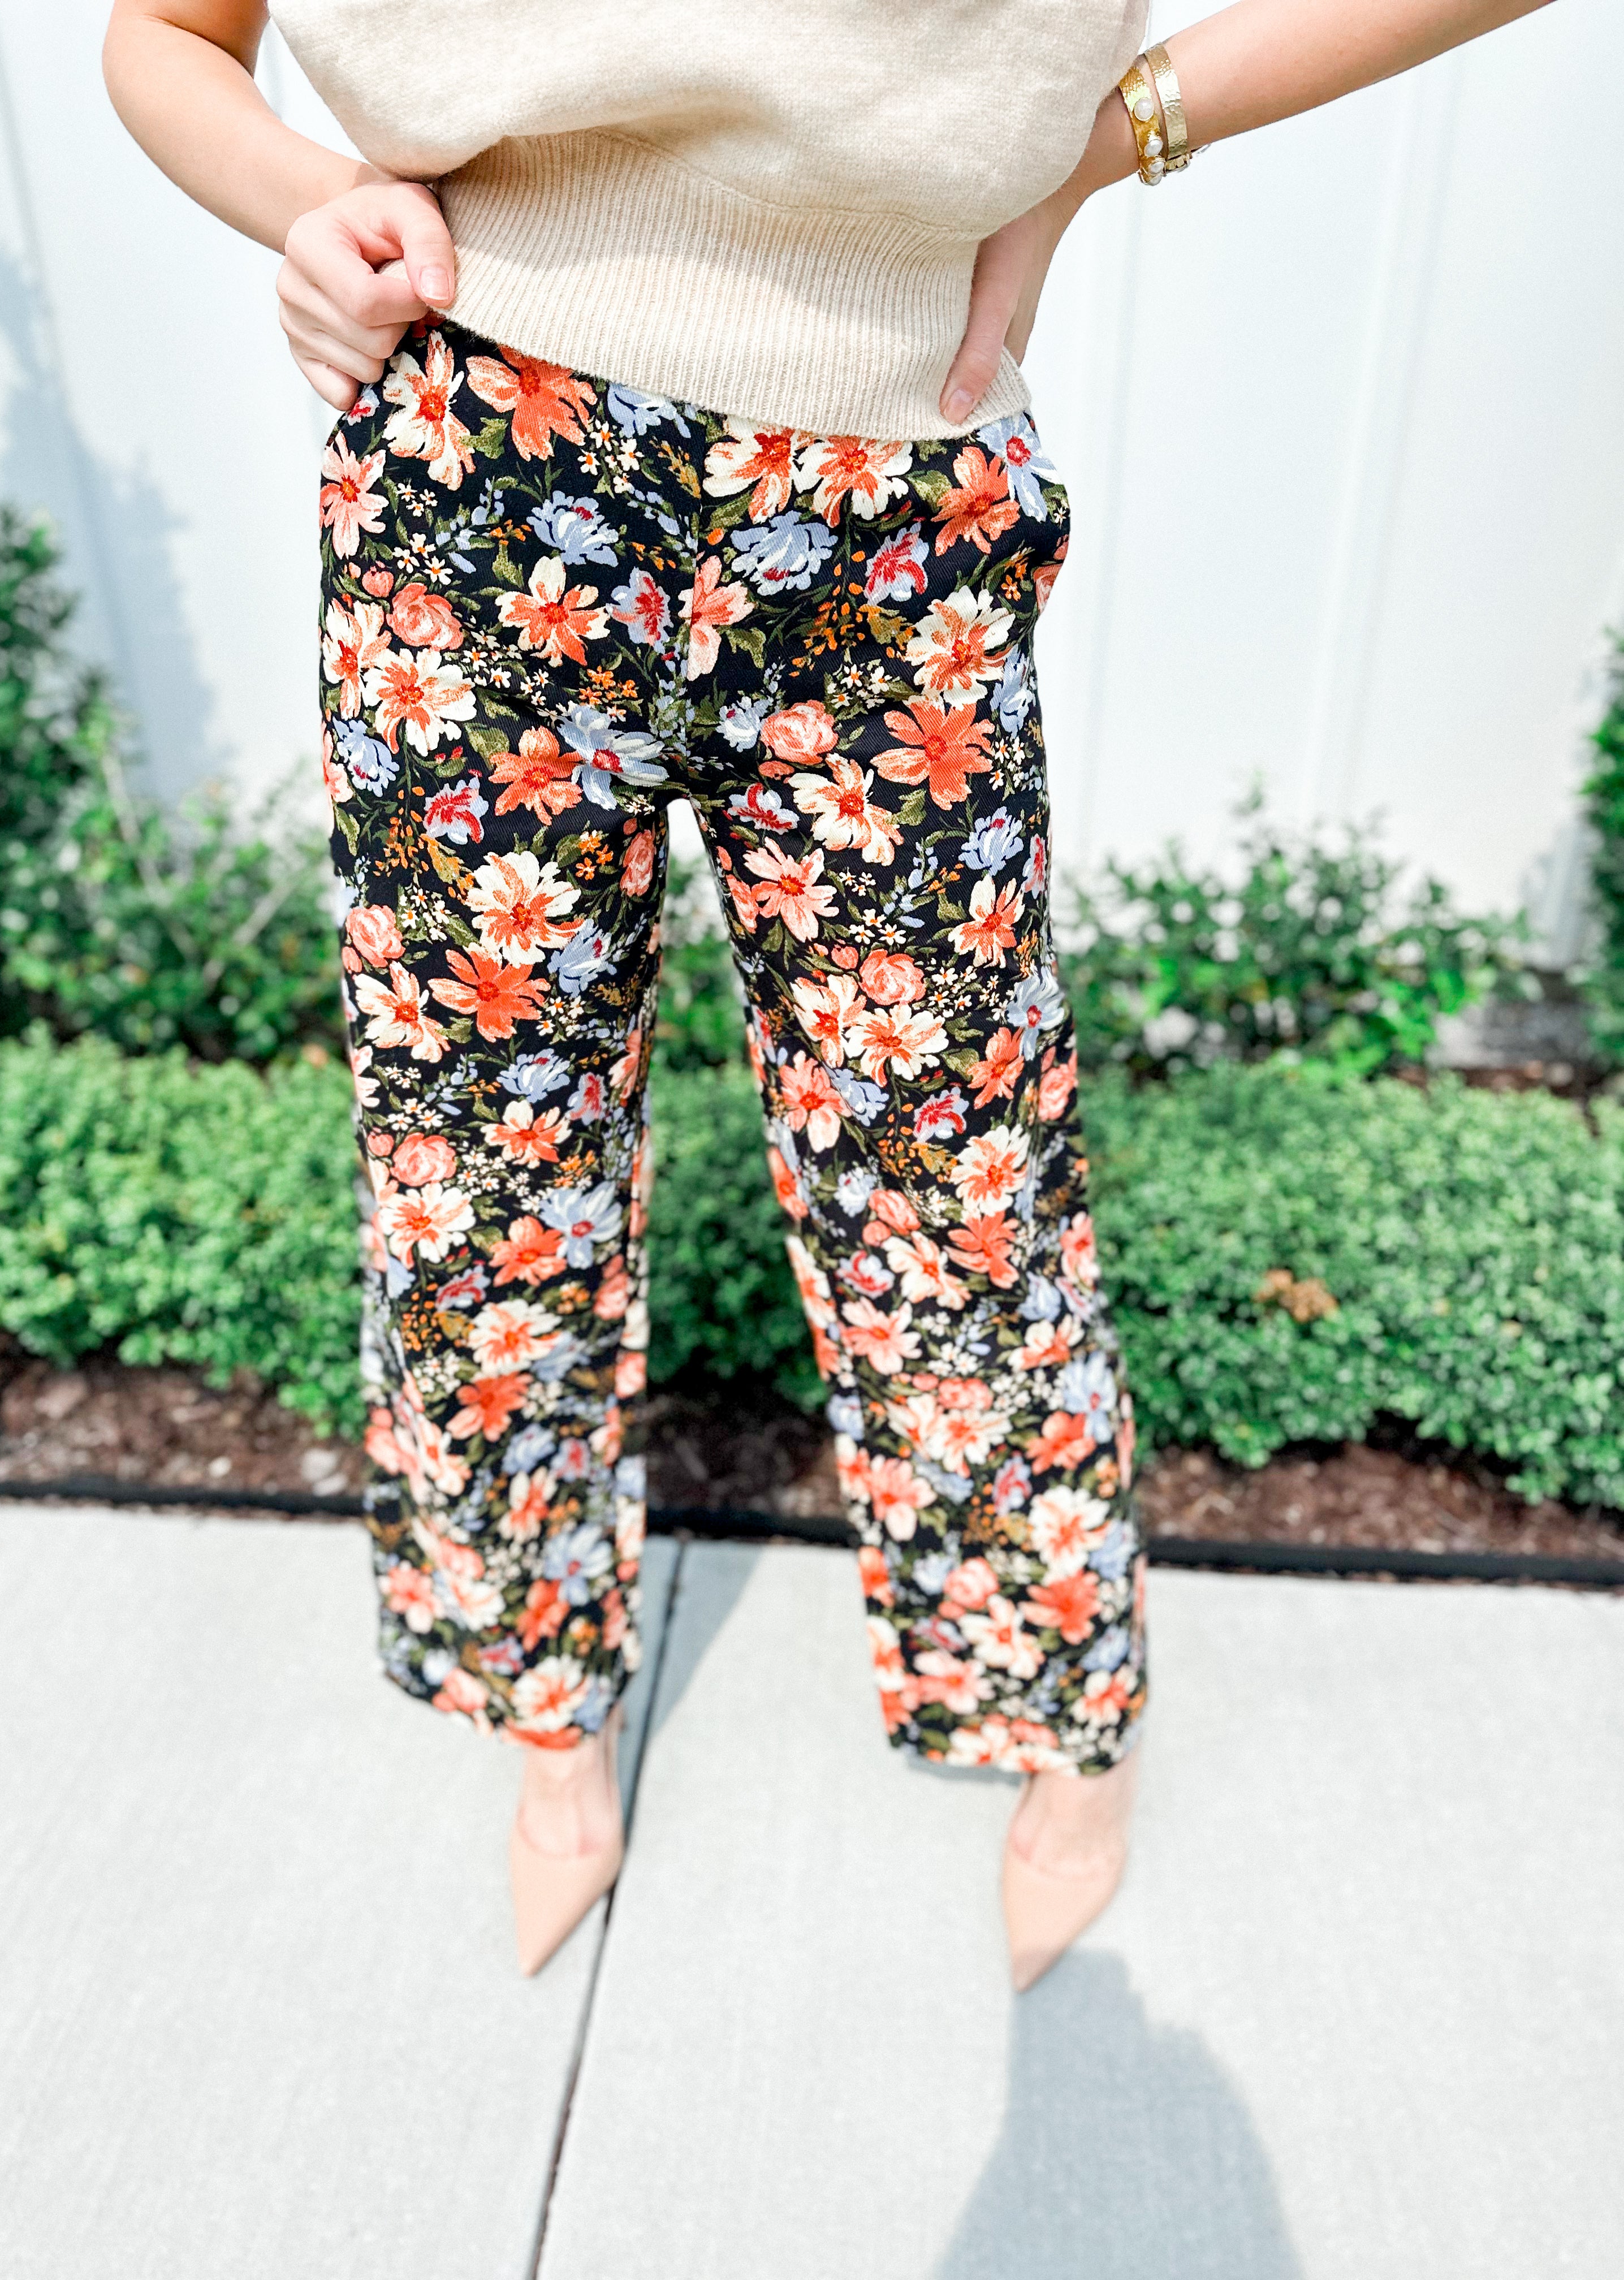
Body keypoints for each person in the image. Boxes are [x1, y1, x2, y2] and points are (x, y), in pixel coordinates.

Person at [103, 0, 1549, 1987]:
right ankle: (545, 1716)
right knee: (476, 1195)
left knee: (957, 1198)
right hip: (476, 465)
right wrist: (306, 197)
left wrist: (1121, 126)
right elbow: (163, 39)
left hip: (888, 493)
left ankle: (1060, 1710)